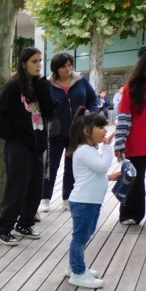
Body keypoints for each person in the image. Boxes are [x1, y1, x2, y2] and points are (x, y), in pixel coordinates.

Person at [0, 47, 57, 246]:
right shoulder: (14, 87)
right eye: (34, 61)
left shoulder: (39, 85)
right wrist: (12, 135)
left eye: (40, 61)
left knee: (35, 186)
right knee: (17, 187)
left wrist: (43, 90)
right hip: (19, 145)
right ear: (24, 63)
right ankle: (4, 229)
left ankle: (25, 223)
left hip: (37, 144)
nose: (38, 65)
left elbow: (50, 112)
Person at [66, 108, 122, 288]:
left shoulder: (87, 150)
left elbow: (92, 173)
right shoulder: (84, 150)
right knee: (80, 238)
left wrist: (109, 178)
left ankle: (75, 266)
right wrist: (107, 148)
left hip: (89, 202)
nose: (105, 130)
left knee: (84, 236)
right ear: (86, 131)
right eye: (101, 127)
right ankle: (78, 273)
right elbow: (101, 166)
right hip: (84, 203)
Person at [40, 52, 98, 212]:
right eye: (64, 66)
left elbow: (93, 99)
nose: (68, 69)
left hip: (77, 131)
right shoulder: (47, 83)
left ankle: (67, 198)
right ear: (56, 68)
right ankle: (45, 198)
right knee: (50, 166)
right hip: (55, 132)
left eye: (70, 65)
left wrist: (91, 115)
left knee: (72, 166)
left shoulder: (80, 80)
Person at [114, 42, 146, 225]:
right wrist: (119, 143)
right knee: (134, 181)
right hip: (136, 142)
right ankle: (130, 214)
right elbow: (124, 117)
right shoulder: (132, 88)